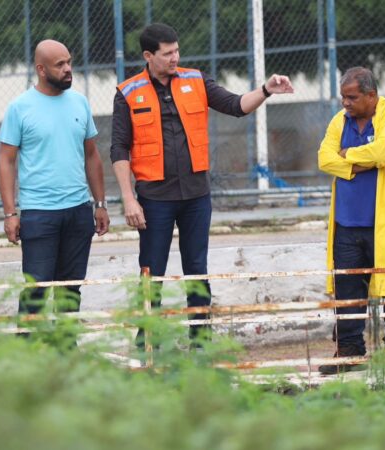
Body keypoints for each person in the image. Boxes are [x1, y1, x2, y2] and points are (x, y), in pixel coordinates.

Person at [110, 23, 293, 347]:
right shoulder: (128, 92)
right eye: (167, 54)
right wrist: (129, 199)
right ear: (148, 56)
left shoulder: (196, 80)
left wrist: (265, 89)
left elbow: (236, 106)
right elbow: (119, 148)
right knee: (152, 270)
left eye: (177, 51)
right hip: (154, 197)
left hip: (196, 195)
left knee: (197, 267)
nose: (174, 58)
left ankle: (201, 340)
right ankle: (149, 341)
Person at [0, 39, 109, 314]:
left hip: (78, 211)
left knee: (70, 289)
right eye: (60, 64)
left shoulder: (80, 103)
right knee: (36, 289)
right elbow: (6, 161)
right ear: (41, 69)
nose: (68, 68)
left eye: (69, 62)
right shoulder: (20, 108)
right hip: (39, 213)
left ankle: (66, 351)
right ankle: (28, 353)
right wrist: (11, 213)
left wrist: (100, 204)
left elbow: (92, 156)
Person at [317, 67, 385, 375]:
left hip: (382, 222)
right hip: (346, 223)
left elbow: (384, 151)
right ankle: (349, 352)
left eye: (352, 97)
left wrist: (346, 158)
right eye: (343, 97)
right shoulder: (338, 121)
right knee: (347, 289)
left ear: (371, 96)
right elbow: (323, 158)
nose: (345, 103)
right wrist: (359, 164)